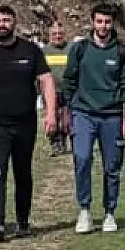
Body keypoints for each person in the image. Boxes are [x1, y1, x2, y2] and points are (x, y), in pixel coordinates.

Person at [0, 4, 57, 242]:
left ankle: (23, 222)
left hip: (25, 122)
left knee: (23, 172)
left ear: (14, 23)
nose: (1, 25)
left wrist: (51, 112)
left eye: (6, 20)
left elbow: (46, 80)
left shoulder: (30, 50)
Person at [61, 3, 125, 234]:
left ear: (112, 23)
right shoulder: (80, 48)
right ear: (92, 22)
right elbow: (69, 80)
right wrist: (67, 112)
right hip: (83, 114)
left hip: (112, 117)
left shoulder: (122, 51)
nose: (103, 26)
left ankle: (109, 213)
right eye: (99, 21)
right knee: (82, 159)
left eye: (107, 22)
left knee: (112, 166)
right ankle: (84, 210)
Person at [41, 19, 75, 156]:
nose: (57, 36)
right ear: (49, 34)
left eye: (60, 33)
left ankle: (72, 142)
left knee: (68, 119)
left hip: (69, 90)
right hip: (50, 92)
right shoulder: (44, 51)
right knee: (53, 117)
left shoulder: (71, 49)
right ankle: (56, 144)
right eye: (54, 34)